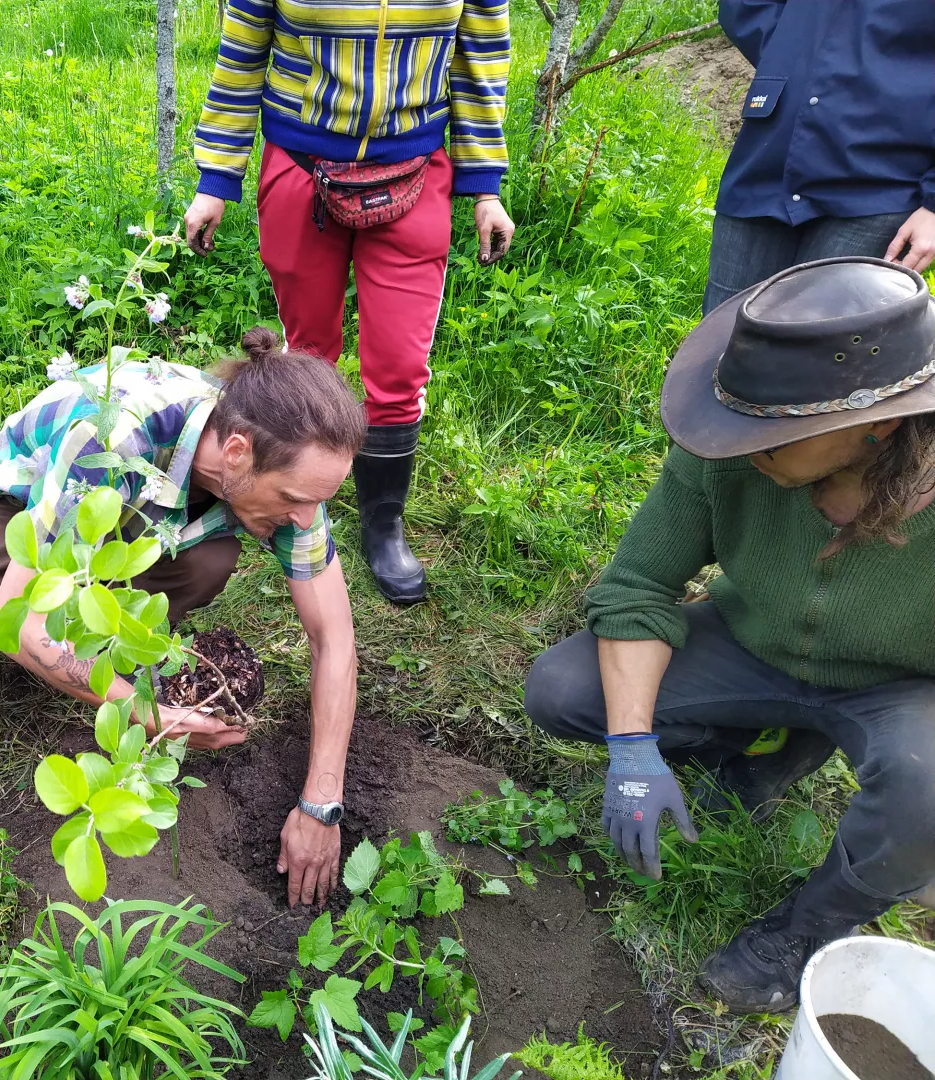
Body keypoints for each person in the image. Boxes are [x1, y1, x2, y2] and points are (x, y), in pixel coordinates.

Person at [525, 257, 935, 1014]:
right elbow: (638, 586)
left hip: (898, 686)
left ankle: (806, 930)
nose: (743, 446)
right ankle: (753, 756)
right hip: (751, 642)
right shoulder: (738, 449)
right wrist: (632, 750)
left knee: (927, 789)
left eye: (775, 437)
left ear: (876, 422)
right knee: (564, 690)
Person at [0, 329, 365, 907]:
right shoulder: (116, 432)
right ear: (238, 451)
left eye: (318, 501)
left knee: (208, 558)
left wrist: (323, 802)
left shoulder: (290, 468)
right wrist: (148, 713)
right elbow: (19, 626)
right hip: (19, 512)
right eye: (294, 497)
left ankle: (91, 629)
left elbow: (333, 638)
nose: (305, 517)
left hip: (128, 525)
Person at [183, 0, 516, 604]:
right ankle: (298, 503)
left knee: (398, 367)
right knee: (309, 359)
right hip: (300, 169)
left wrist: (485, 186)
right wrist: (215, 179)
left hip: (415, 170)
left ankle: (382, 525)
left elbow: (480, 63)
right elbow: (241, 55)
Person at [705, 0, 935, 315]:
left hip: (884, 180)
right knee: (722, 342)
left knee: (818, 351)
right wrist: (788, 54)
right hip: (769, 161)